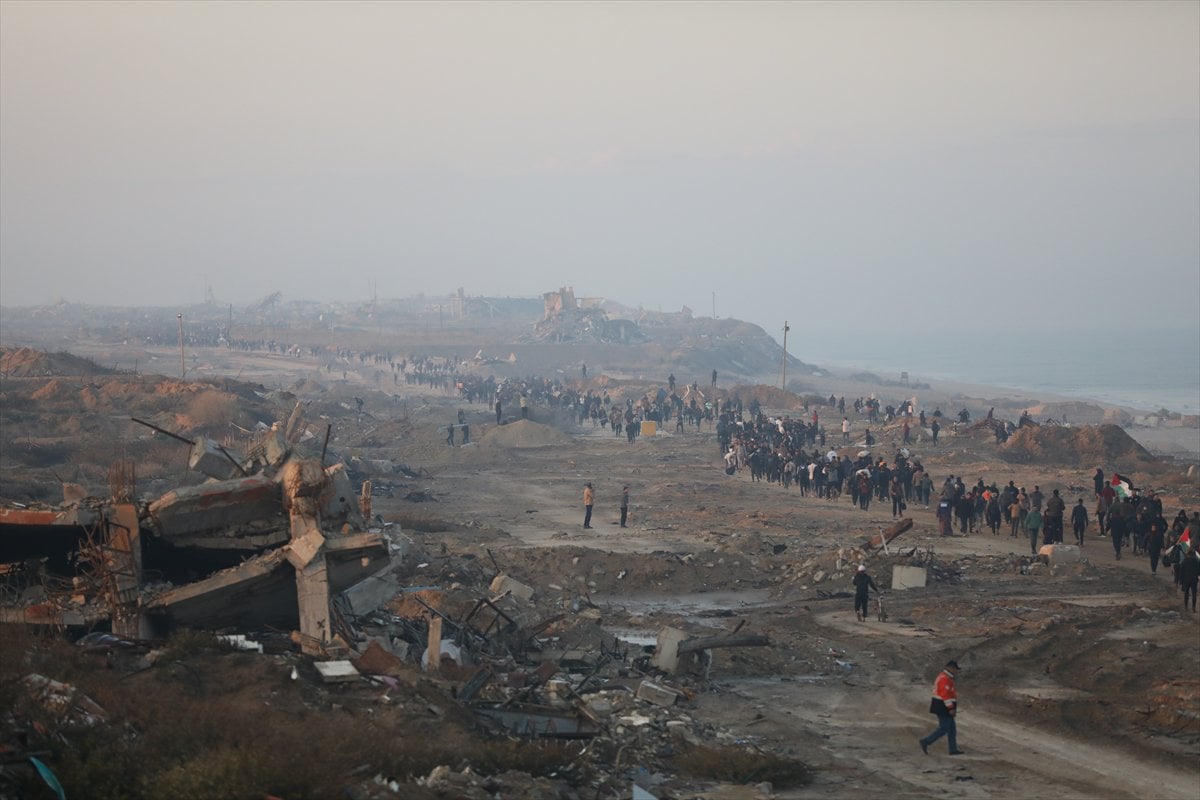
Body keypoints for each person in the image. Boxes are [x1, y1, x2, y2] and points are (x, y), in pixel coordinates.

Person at [919, 660, 964, 755]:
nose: (955, 671)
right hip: (942, 706)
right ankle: (926, 741)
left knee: (952, 728)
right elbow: (945, 695)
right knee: (944, 728)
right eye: (955, 669)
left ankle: (953, 749)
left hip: (942, 705)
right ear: (950, 667)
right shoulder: (945, 678)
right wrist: (951, 708)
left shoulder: (945, 677)